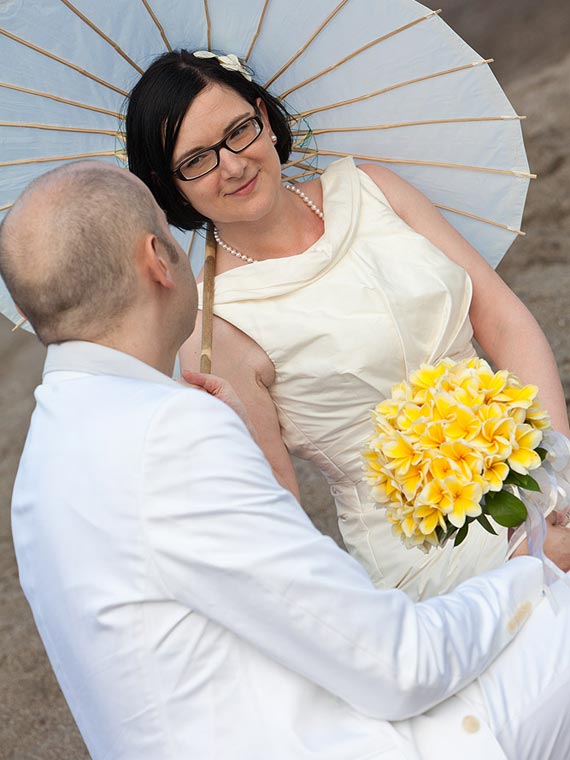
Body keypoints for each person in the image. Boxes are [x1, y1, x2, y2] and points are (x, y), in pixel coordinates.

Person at [2, 159, 570, 760]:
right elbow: (402, 665)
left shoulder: (44, 464)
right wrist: (534, 570)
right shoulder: (169, 432)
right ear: (156, 259)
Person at [125, 49, 570, 600]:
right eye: (197, 160)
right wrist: (523, 558)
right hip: (429, 551)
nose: (233, 165)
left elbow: (502, 320)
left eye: (239, 130)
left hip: (529, 460)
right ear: (169, 185)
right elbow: (277, 508)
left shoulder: (371, 189)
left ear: (264, 116)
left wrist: (557, 475)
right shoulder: (212, 327)